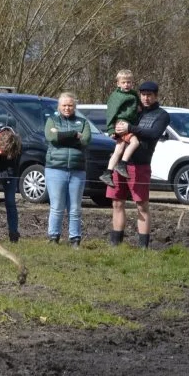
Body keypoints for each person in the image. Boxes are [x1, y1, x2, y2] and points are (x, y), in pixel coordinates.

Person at [107, 80, 170, 248]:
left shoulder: (162, 115)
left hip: (140, 165)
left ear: (156, 96)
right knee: (117, 202)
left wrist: (130, 128)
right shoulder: (135, 110)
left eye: (149, 95)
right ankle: (116, 243)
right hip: (120, 161)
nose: (146, 98)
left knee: (141, 205)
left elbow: (153, 133)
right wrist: (116, 131)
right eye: (143, 95)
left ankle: (143, 247)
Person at [44, 92, 92, 246]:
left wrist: (62, 136)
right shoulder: (52, 120)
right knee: (57, 206)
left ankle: (75, 238)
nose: (67, 108)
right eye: (64, 105)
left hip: (77, 169)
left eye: (70, 105)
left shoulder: (83, 122)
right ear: (59, 106)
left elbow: (85, 140)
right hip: (55, 168)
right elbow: (51, 138)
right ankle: (53, 237)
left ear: (75, 107)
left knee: (75, 207)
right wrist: (73, 135)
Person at [99, 69, 141, 185]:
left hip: (130, 123)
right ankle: (122, 164)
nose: (126, 85)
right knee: (135, 142)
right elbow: (111, 112)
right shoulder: (116, 96)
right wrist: (111, 129)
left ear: (132, 83)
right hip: (122, 123)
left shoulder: (133, 94)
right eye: (123, 82)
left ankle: (107, 173)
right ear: (118, 83)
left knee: (119, 149)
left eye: (129, 82)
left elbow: (138, 106)